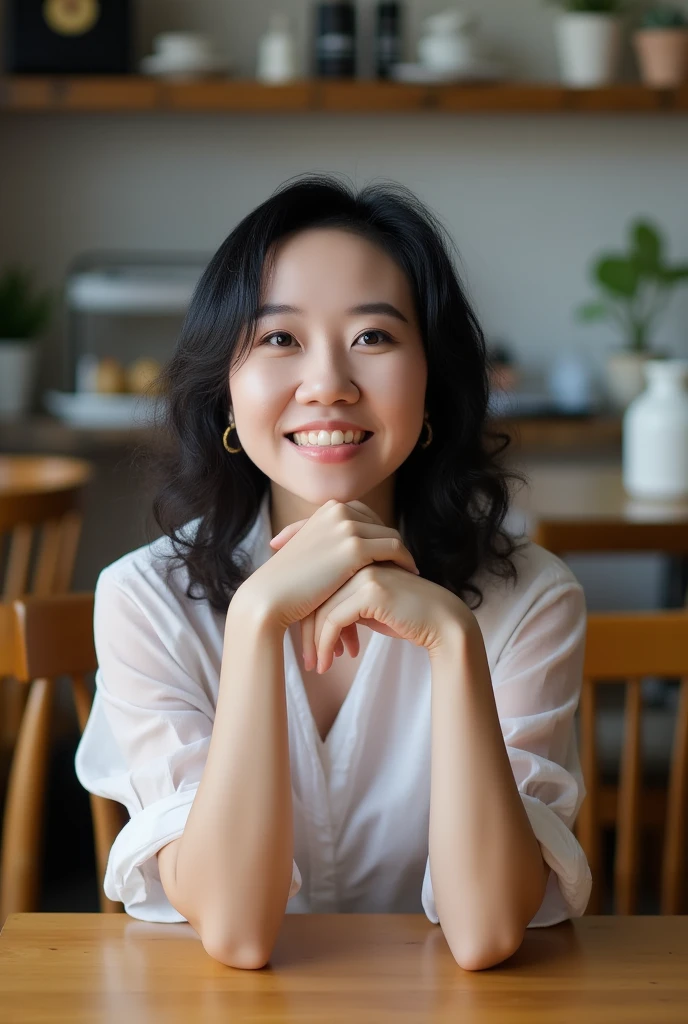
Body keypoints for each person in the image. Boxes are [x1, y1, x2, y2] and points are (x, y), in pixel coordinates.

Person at [75, 175, 591, 972]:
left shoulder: (532, 600)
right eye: (279, 339)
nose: (328, 385)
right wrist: (254, 624)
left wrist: (454, 639)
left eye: (374, 338)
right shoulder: (142, 600)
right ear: (226, 392)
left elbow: (486, 931)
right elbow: (238, 933)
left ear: (433, 385)